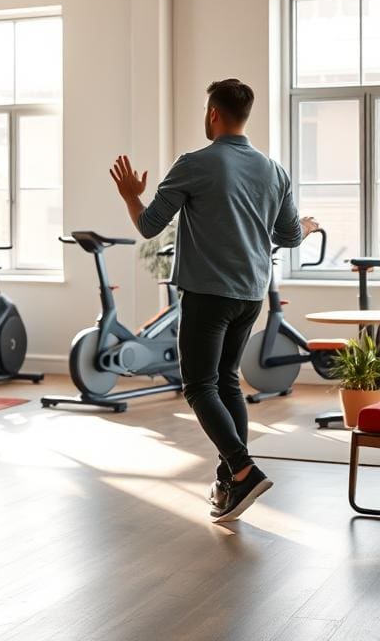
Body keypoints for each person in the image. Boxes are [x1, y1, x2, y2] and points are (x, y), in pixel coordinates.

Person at [109, 78, 318, 523]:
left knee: (199, 386)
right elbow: (289, 236)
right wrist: (309, 225)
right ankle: (230, 483)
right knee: (225, 382)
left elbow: (149, 225)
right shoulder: (274, 170)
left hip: (208, 295)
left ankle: (242, 470)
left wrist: (131, 195)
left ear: (213, 114)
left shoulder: (195, 163)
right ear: (245, 115)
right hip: (251, 295)